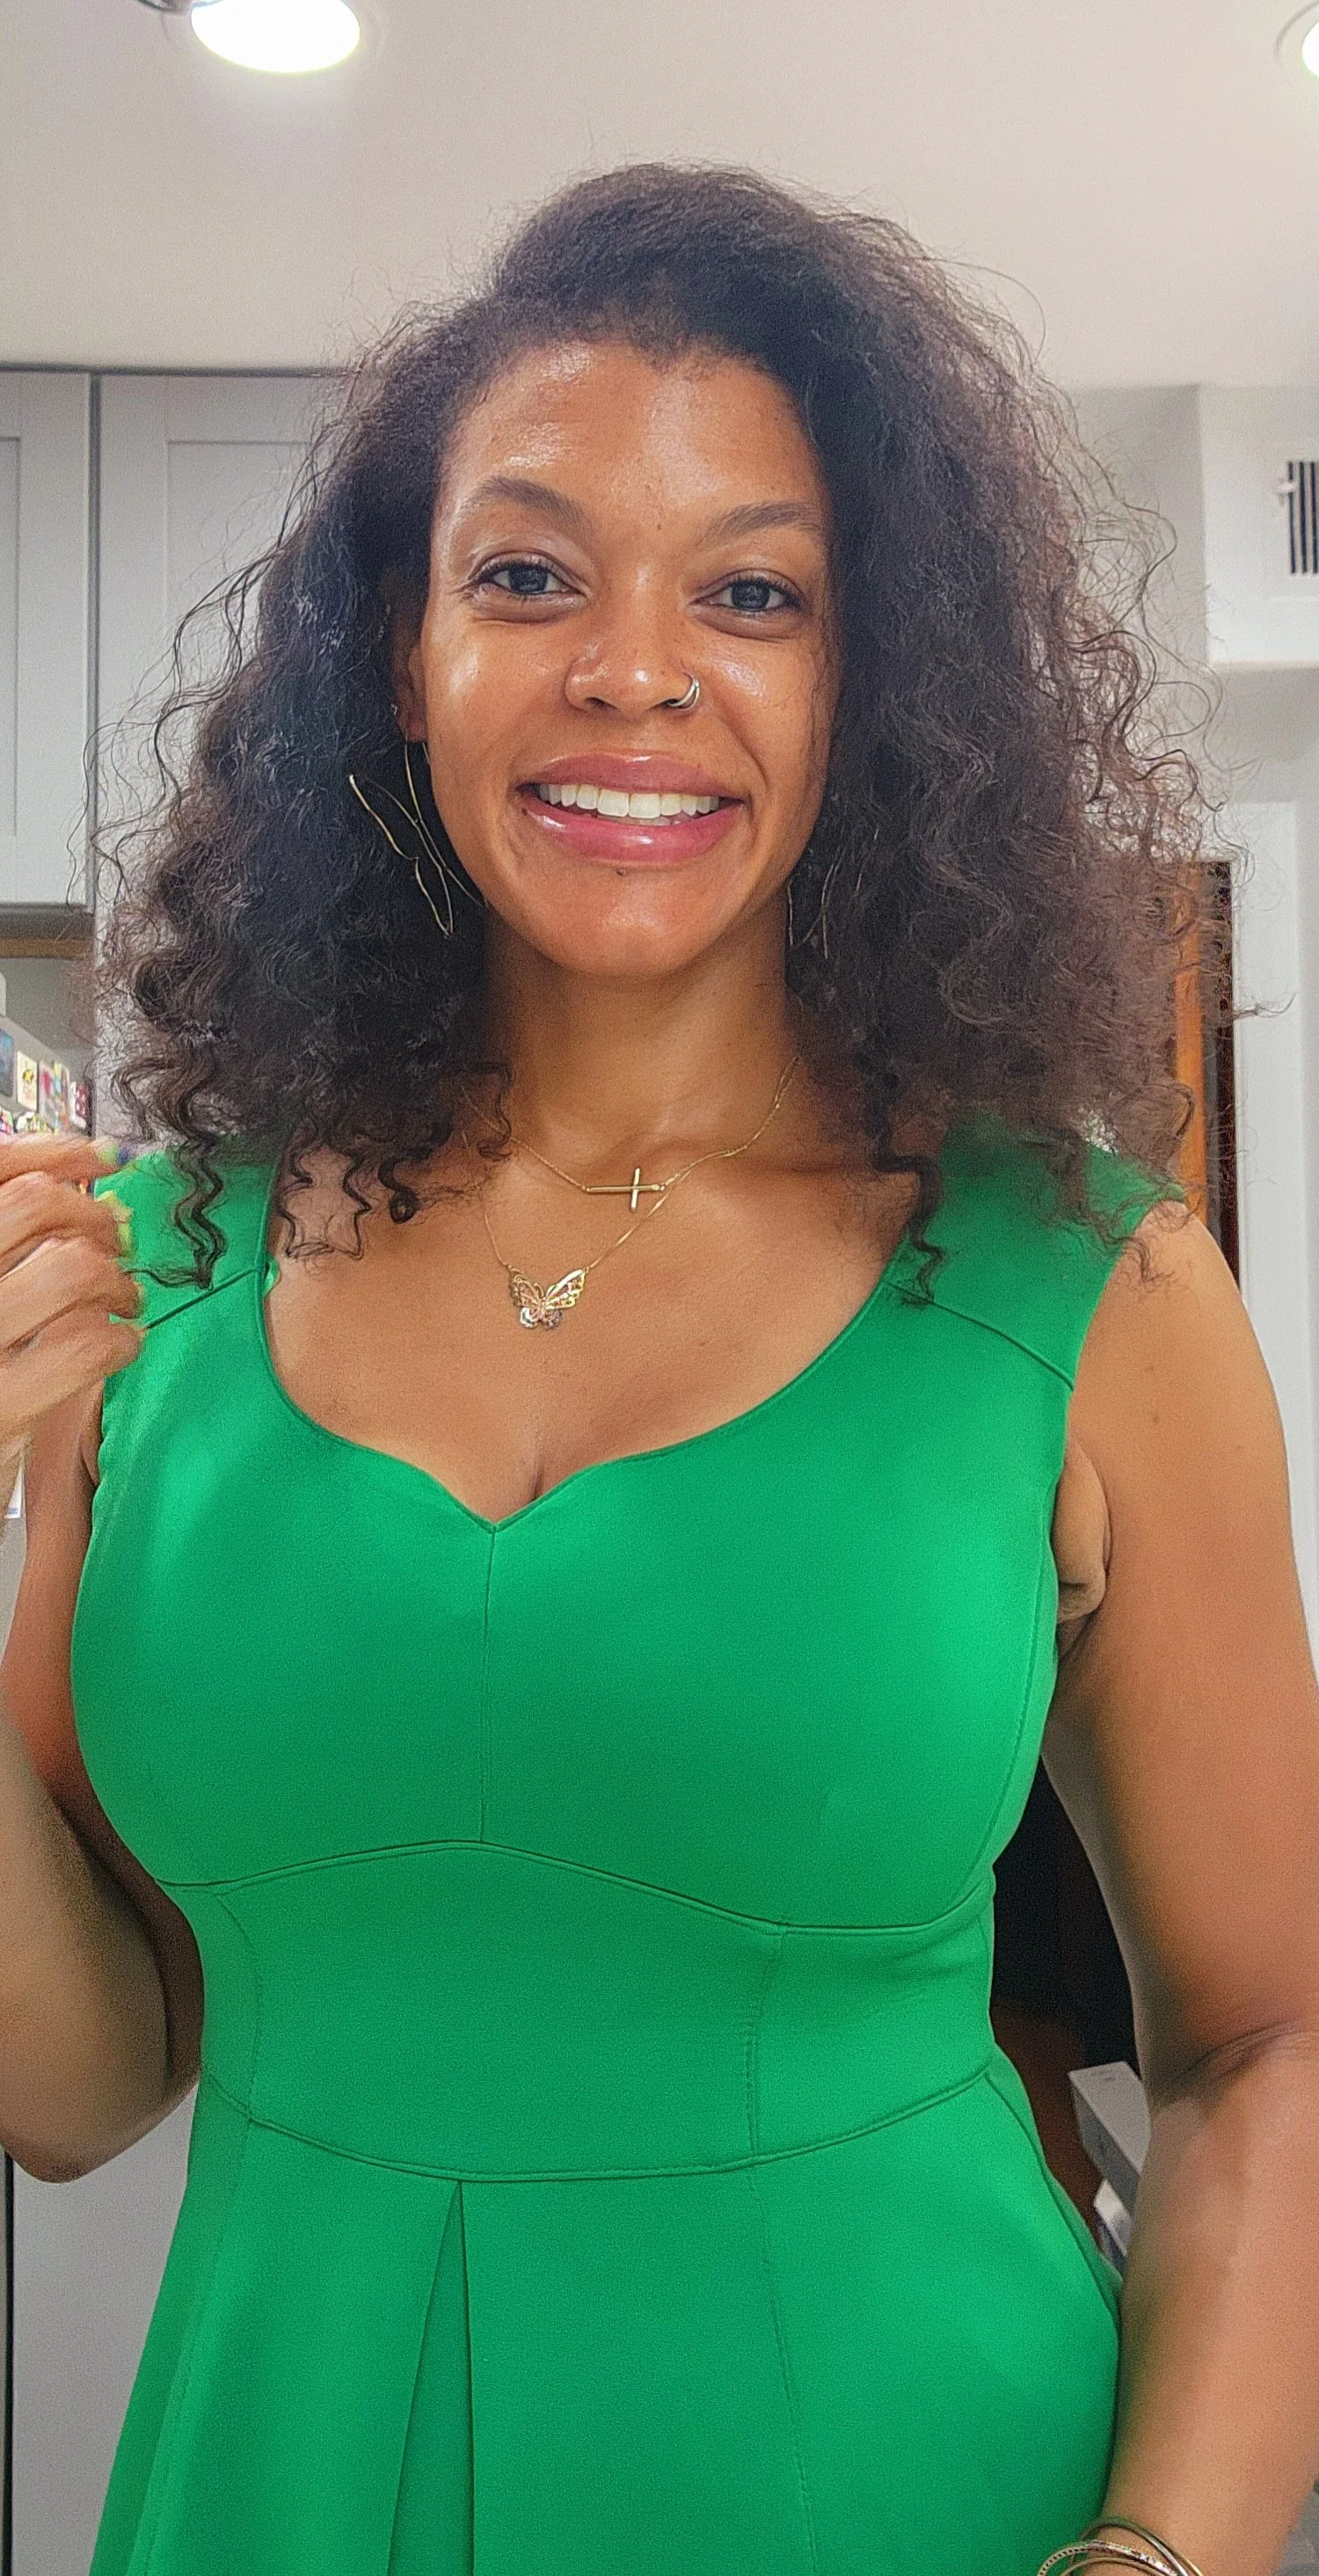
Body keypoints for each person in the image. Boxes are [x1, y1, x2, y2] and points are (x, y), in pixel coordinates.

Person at [1, 162, 1317, 2576]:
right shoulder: (155, 1279)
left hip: (909, 2485)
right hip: (277, 2486)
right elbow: (75, 2089)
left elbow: (1263, 2046)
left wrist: (1164, 2558)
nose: (632, 666)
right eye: (526, 572)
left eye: (751, 589)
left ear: (868, 679)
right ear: (392, 657)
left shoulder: (1082, 1297)